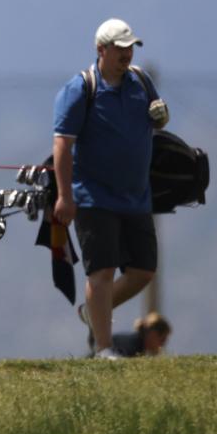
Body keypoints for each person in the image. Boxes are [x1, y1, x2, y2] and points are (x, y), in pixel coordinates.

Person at [52, 18, 170, 360]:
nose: (126, 54)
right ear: (101, 50)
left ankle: (94, 311)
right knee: (100, 271)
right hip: (94, 197)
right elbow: (62, 145)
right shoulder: (81, 89)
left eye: (130, 48)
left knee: (144, 270)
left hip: (136, 196)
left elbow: (156, 118)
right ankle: (104, 348)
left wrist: (161, 117)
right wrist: (65, 195)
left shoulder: (141, 82)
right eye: (119, 48)